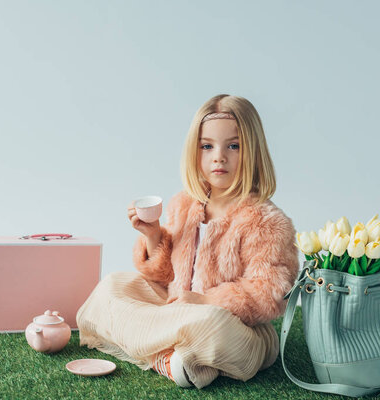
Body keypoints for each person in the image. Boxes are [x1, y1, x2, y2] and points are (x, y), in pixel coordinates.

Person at [76, 94, 299, 389]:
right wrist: (153, 235)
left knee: (211, 327)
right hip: (175, 309)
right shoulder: (184, 204)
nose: (219, 156)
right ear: (194, 151)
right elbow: (167, 275)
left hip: (232, 325)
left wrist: (206, 301)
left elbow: (269, 293)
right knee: (113, 286)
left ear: (254, 152)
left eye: (234, 146)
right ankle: (179, 360)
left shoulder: (266, 220)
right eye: (207, 146)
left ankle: (165, 351)